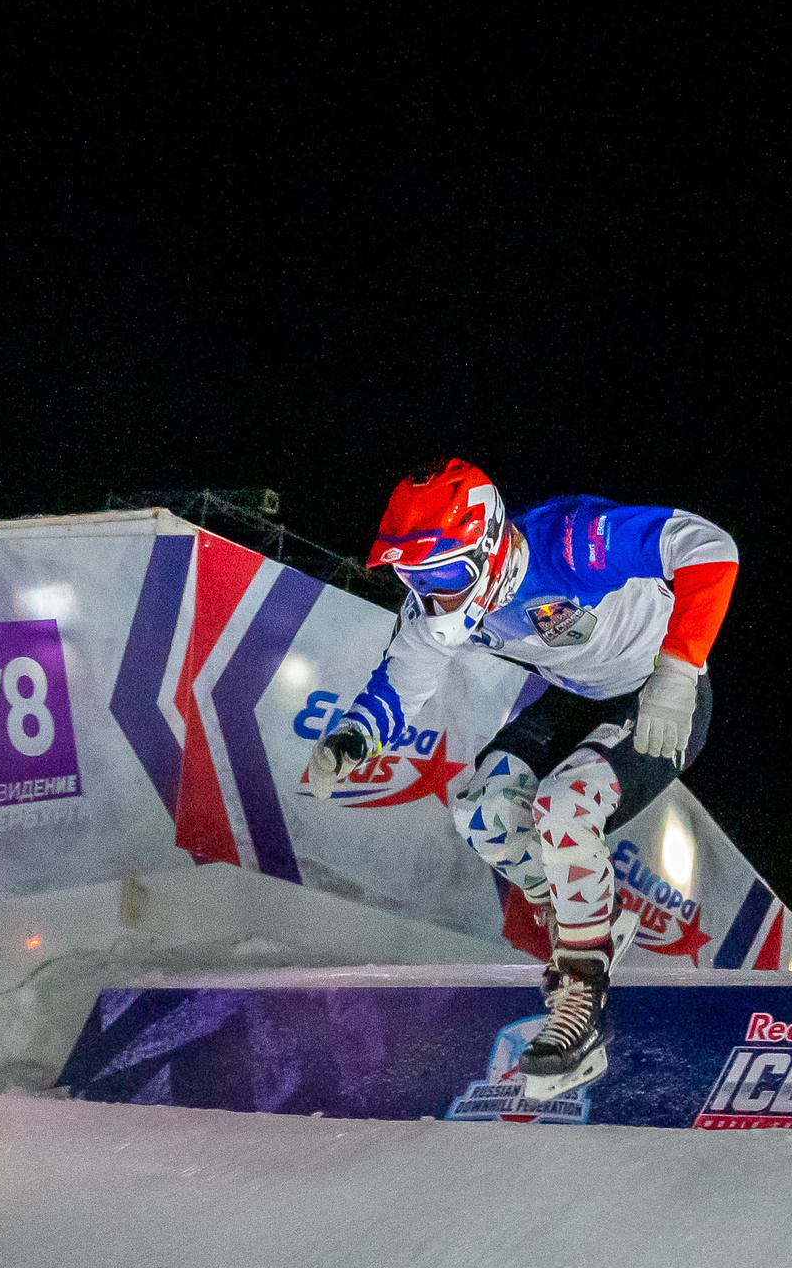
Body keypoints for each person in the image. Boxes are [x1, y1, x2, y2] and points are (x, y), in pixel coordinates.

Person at [306, 458, 739, 1096]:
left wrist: (678, 671)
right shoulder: (434, 611)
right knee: (480, 814)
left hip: (661, 694)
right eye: (412, 575)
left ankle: (582, 994)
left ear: (488, 547)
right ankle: (588, 920)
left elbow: (709, 546)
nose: (434, 595)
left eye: (445, 572)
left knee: (565, 807)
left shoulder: (569, 543)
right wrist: (353, 736)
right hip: (574, 695)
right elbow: (403, 678)